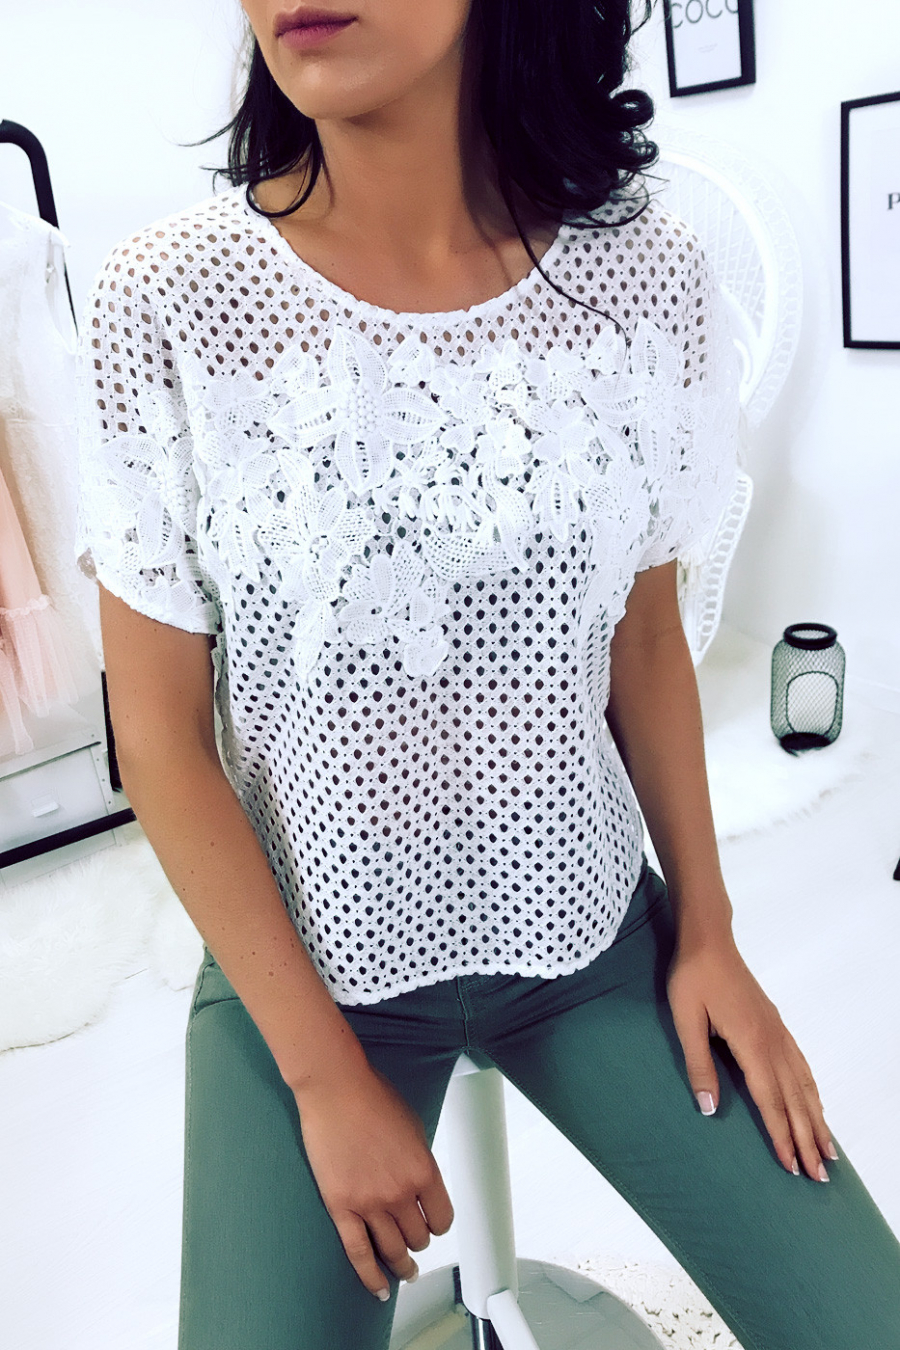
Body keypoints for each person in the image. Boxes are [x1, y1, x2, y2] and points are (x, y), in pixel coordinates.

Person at [72, 2, 900, 1348]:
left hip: (589, 932)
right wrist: (319, 1077)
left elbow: (644, 637)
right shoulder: (169, 299)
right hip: (313, 961)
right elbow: (159, 735)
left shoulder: (649, 271)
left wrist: (709, 931)